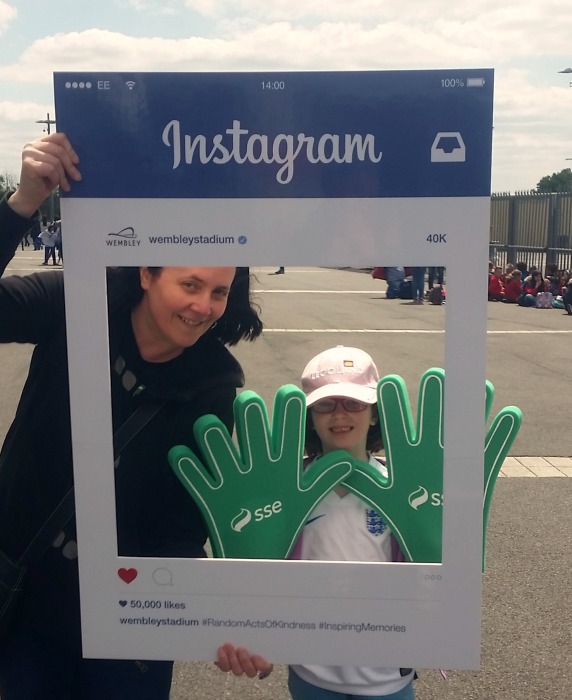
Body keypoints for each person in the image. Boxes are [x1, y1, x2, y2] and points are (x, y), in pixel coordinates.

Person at [0, 133, 271, 699]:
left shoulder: (215, 389)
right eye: (189, 284)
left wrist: (232, 619)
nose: (203, 307)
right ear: (148, 272)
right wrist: (22, 203)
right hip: (22, 599)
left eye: (219, 292)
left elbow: (180, 527)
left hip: (129, 625)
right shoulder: (75, 303)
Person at [288, 345, 415, 700]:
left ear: (374, 414)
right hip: (312, 673)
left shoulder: (398, 487)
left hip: (387, 676)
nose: (339, 414)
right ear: (310, 416)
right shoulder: (292, 487)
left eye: (354, 403)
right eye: (326, 405)